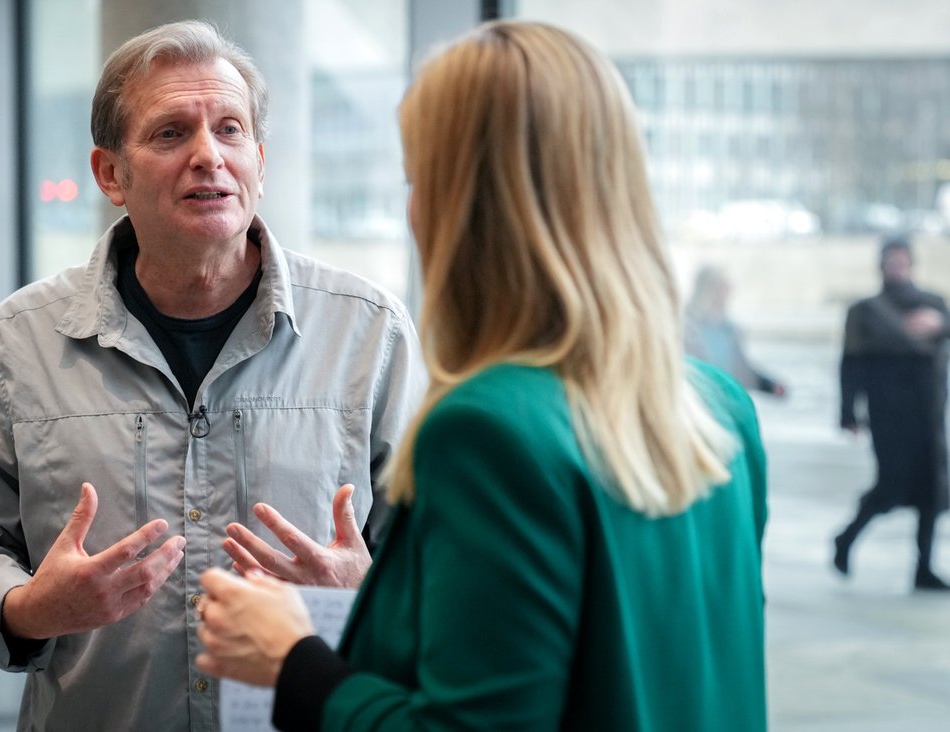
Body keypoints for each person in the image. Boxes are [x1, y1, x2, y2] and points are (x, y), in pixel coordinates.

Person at [194, 20, 768, 732]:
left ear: (465, 206)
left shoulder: (485, 431)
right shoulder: (720, 410)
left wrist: (291, 663)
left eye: (417, 178)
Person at [0, 20, 423, 730]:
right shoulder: (15, 345)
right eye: (171, 133)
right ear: (110, 174)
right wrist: (29, 608)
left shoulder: (370, 334)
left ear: (261, 163)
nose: (208, 155)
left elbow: (443, 572)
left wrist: (364, 593)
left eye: (230, 129)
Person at [833, 235, 949, 590]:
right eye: (891, 262)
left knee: (933, 490)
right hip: (888, 414)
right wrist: (848, 413)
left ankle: (923, 568)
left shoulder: (933, 303)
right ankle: (847, 538)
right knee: (891, 486)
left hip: (928, 412)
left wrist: (939, 325)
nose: (898, 268)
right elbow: (850, 364)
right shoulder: (866, 311)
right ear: (881, 265)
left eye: (903, 262)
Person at [684, 264, 787, 397]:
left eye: (728, 287)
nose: (728, 292)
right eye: (722, 287)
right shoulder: (686, 325)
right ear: (708, 289)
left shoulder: (731, 330)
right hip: (695, 399)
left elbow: (743, 372)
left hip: (723, 400)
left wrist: (768, 385)